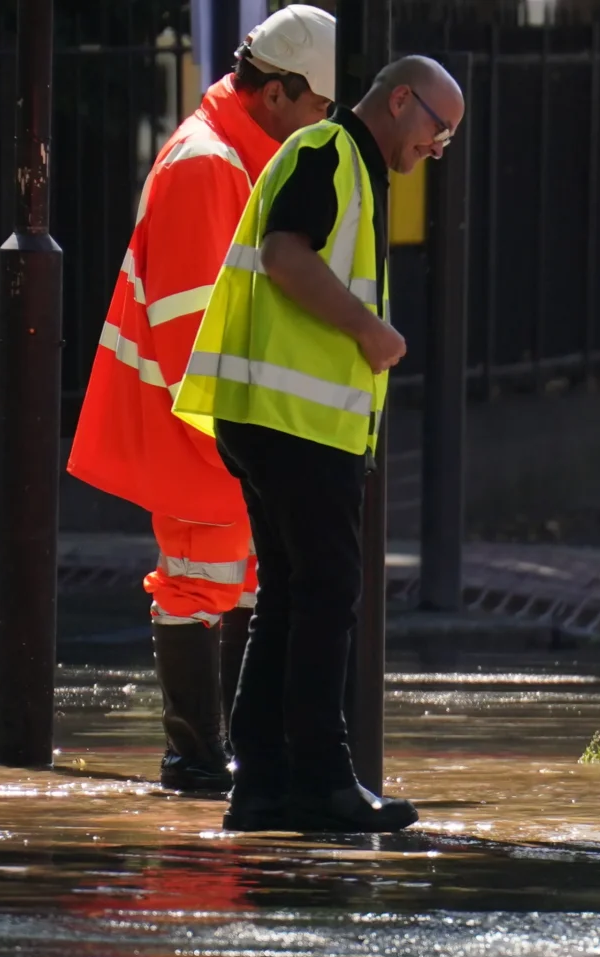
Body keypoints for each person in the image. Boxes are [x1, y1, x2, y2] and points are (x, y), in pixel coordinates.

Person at [173, 55, 464, 834]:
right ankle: (320, 779)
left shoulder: (350, 167)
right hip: (291, 419)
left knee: (295, 596)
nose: (439, 148)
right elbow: (284, 253)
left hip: (279, 416)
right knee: (326, 591)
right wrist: (369, 331)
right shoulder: (327, 152)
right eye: (439, 129)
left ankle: (264, 783)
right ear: (400, 100)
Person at [66, 6, 335, 796]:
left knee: (235, 581)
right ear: (280, 91)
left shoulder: (227, 154)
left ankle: (225, 756)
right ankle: (199, 760)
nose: (320, 127)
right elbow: (193, 323)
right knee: (201, 579)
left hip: (216, 422)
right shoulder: (209, 163)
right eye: (319, 109)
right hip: (203, 423)